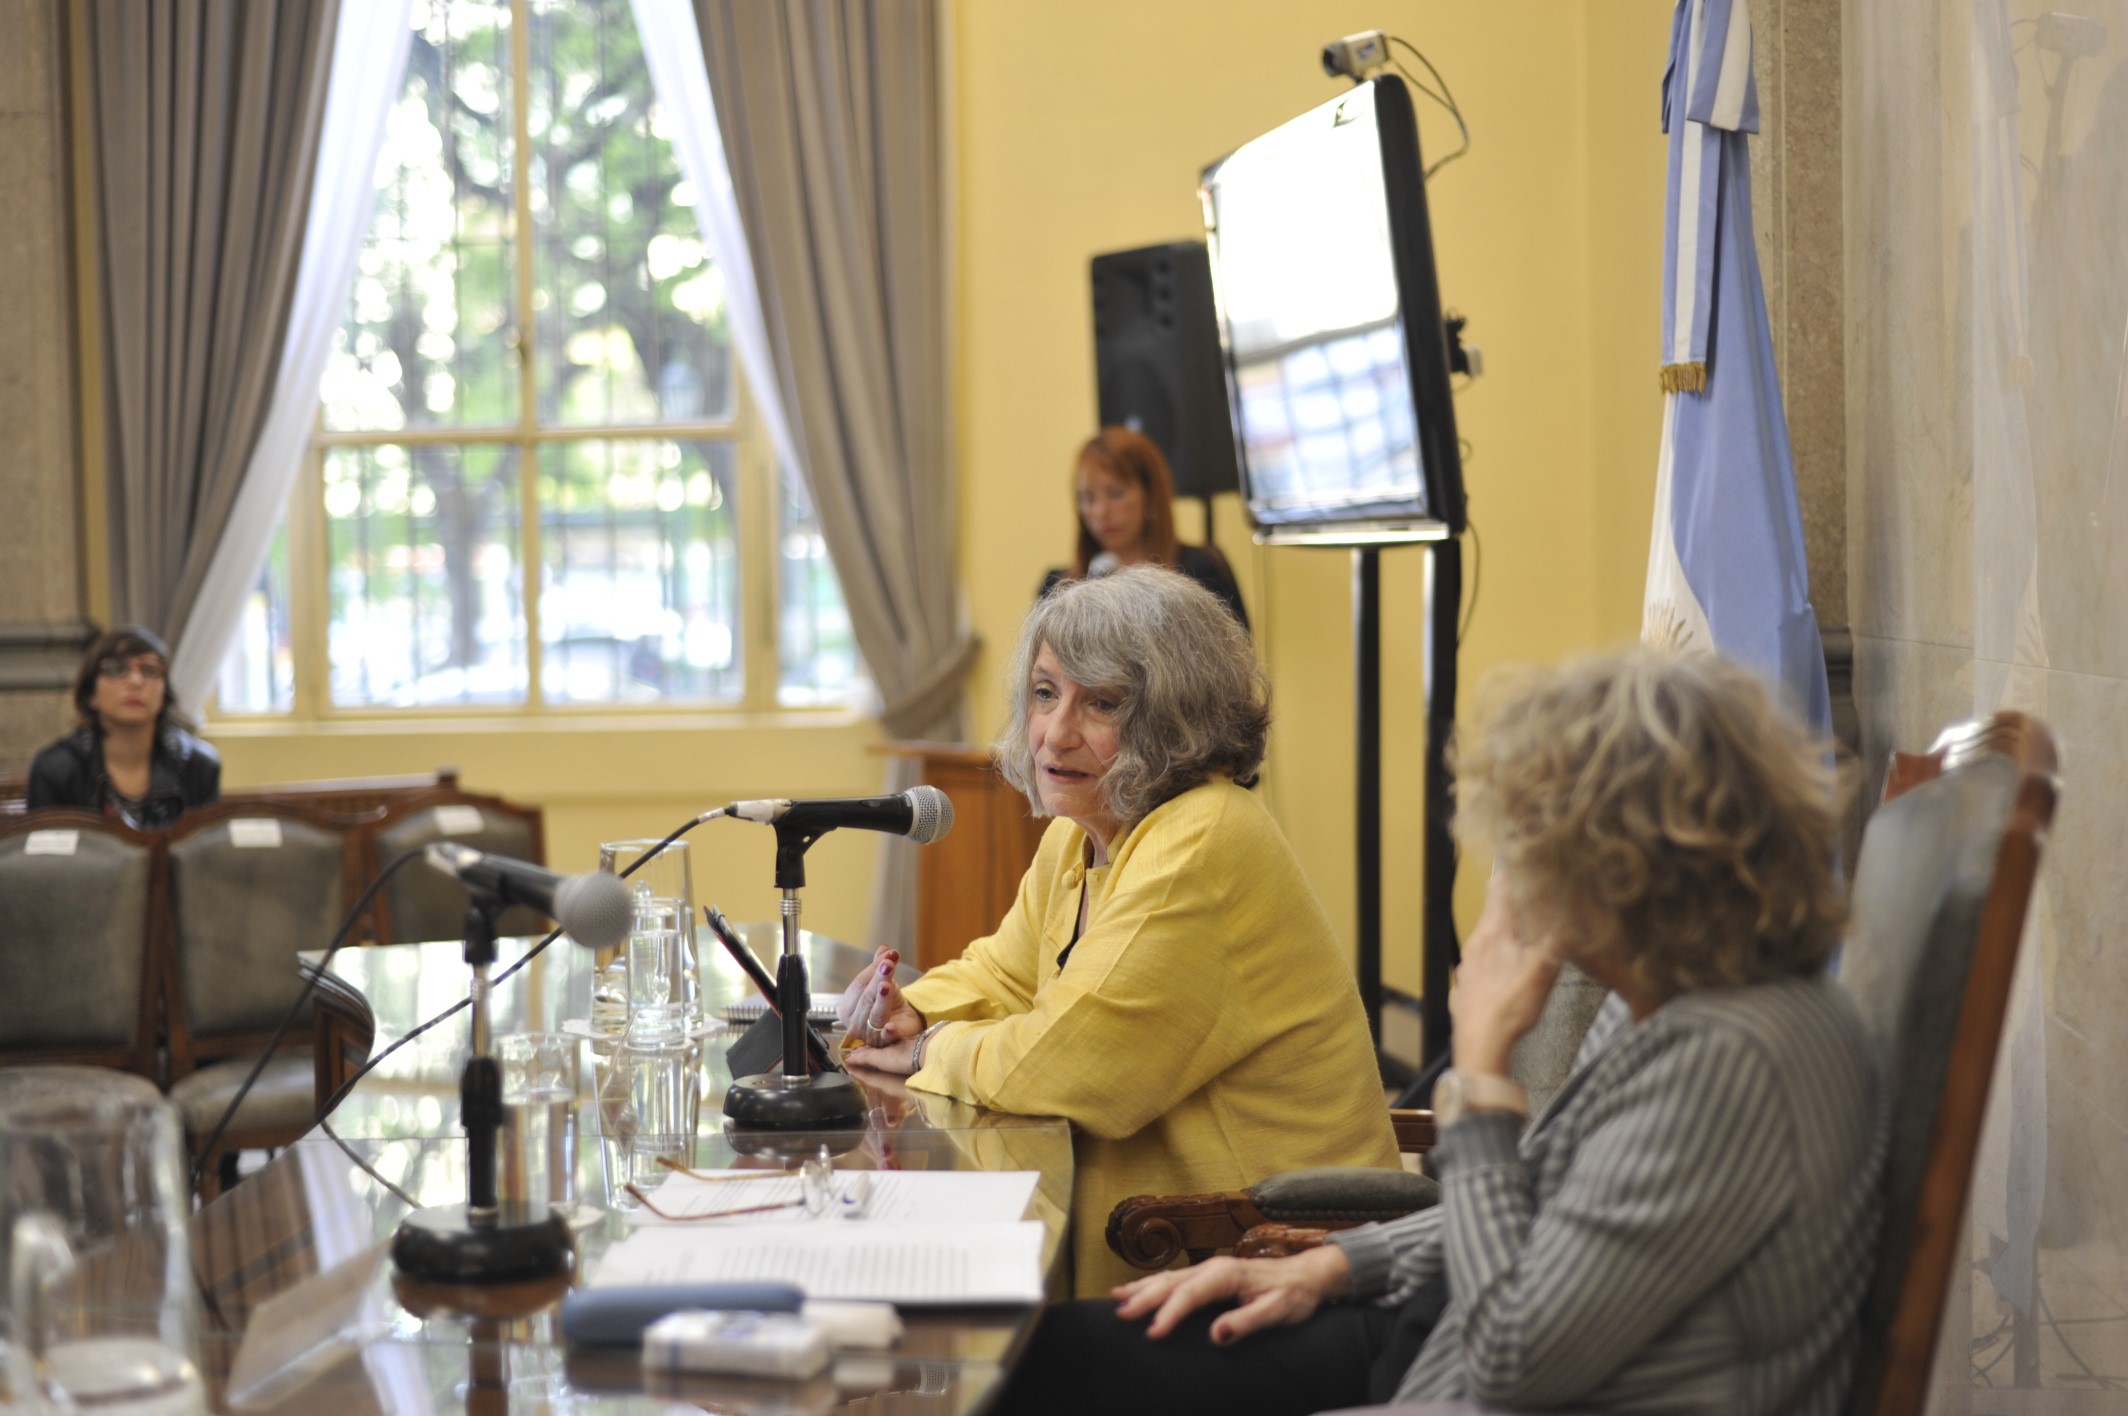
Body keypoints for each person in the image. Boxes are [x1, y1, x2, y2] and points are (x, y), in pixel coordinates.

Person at [996, 649, 1885, 1415]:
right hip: (1440, 1334)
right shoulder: (1675, 997)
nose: (1513, 877)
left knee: (1044, 1373)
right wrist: (1329, 1270)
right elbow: (1537, 1199)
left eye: (1533, 844)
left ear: (1625, 864)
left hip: (1495, 1377)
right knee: (1049, 1351)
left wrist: (1486, 1069)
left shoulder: (1737, 1063)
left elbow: (1515, 1356)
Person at [842, 566, 1398, 1295]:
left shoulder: (1200, 842)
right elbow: (1004, 974)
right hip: (1173, 1247)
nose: (1055, 732)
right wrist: (913, 1007)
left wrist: (930, 1048)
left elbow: (1064, 1067)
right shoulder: (1081, 837)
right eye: (1045, 693)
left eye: (1101, 703)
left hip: (1279, 1268)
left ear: (1174, 719)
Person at [1039, 427, 1249, 628]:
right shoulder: (1058, 588)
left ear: (1149, 496)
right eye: (1088, 499)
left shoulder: (1200, 570)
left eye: (1115, 494)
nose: (1101, 511)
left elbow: (1235, 660)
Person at [27, 627, 220, 831]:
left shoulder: (197, 764)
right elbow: (47, 858)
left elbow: (203, 857)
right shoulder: (55, 768)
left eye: (149, 670)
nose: (136, 682)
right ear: (91, 694)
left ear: (164, 694)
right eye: (116, 669)